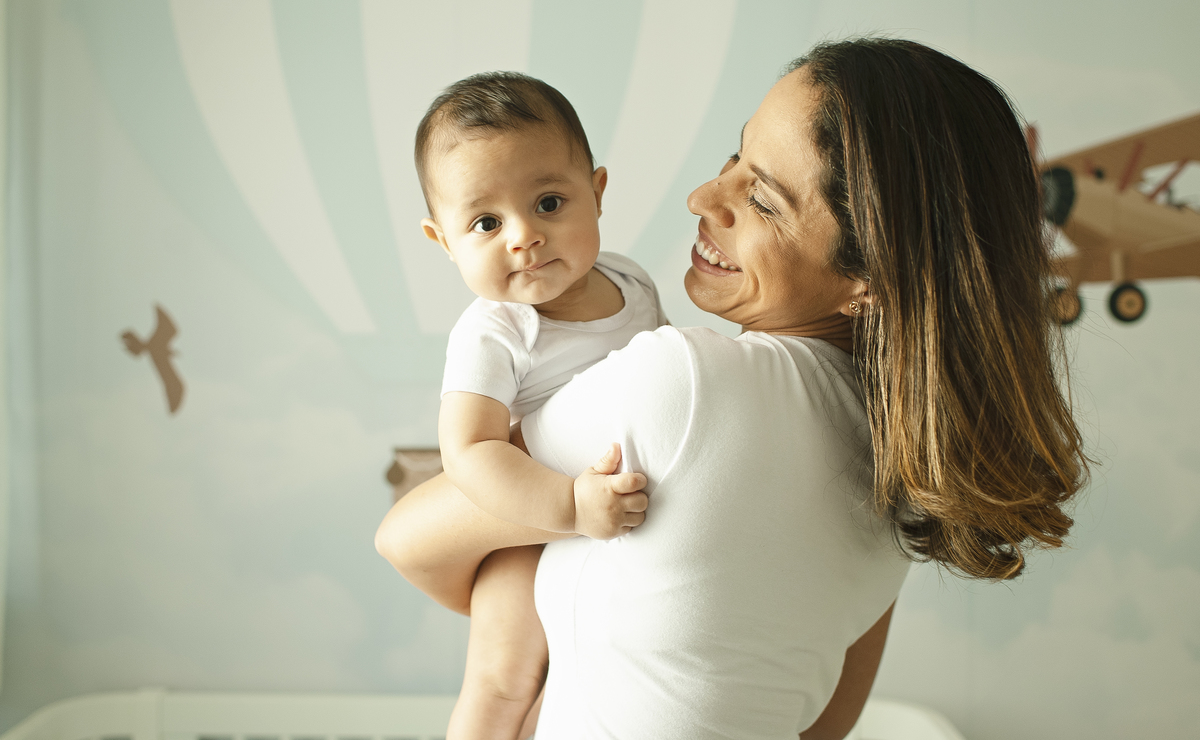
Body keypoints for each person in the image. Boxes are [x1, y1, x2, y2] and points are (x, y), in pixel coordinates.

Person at [377, 38, 1088, 739]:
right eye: (734, 157)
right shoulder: (912, 476)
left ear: (870, 277)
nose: (704, 197)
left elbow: (406, 538)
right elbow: (823, 725)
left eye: (764, 200)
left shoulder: (685, 383)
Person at [413, 71, 667, 737]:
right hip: (527, 528)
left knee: (582, 686)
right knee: (503, 682)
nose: (523, 236)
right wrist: (568, 507)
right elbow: (469, 450)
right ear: (445, 242)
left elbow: (665, 373)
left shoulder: (631, 280)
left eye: (549, 203)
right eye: (486, 222)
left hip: (624, 519)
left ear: (597, 194)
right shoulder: (495, 331)